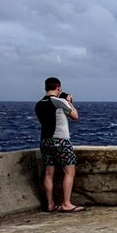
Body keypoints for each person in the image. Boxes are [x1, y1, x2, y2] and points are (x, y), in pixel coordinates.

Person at [34, 77, 83, 212]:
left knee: (49, 173)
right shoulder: (59, 101)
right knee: (69, 171)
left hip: (45, 141)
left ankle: (50, 204)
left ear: (46, 88)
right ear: (58, 88)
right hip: (60, 140)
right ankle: (66, 204)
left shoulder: (38, 104)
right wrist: (69, 102)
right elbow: (75, 116)